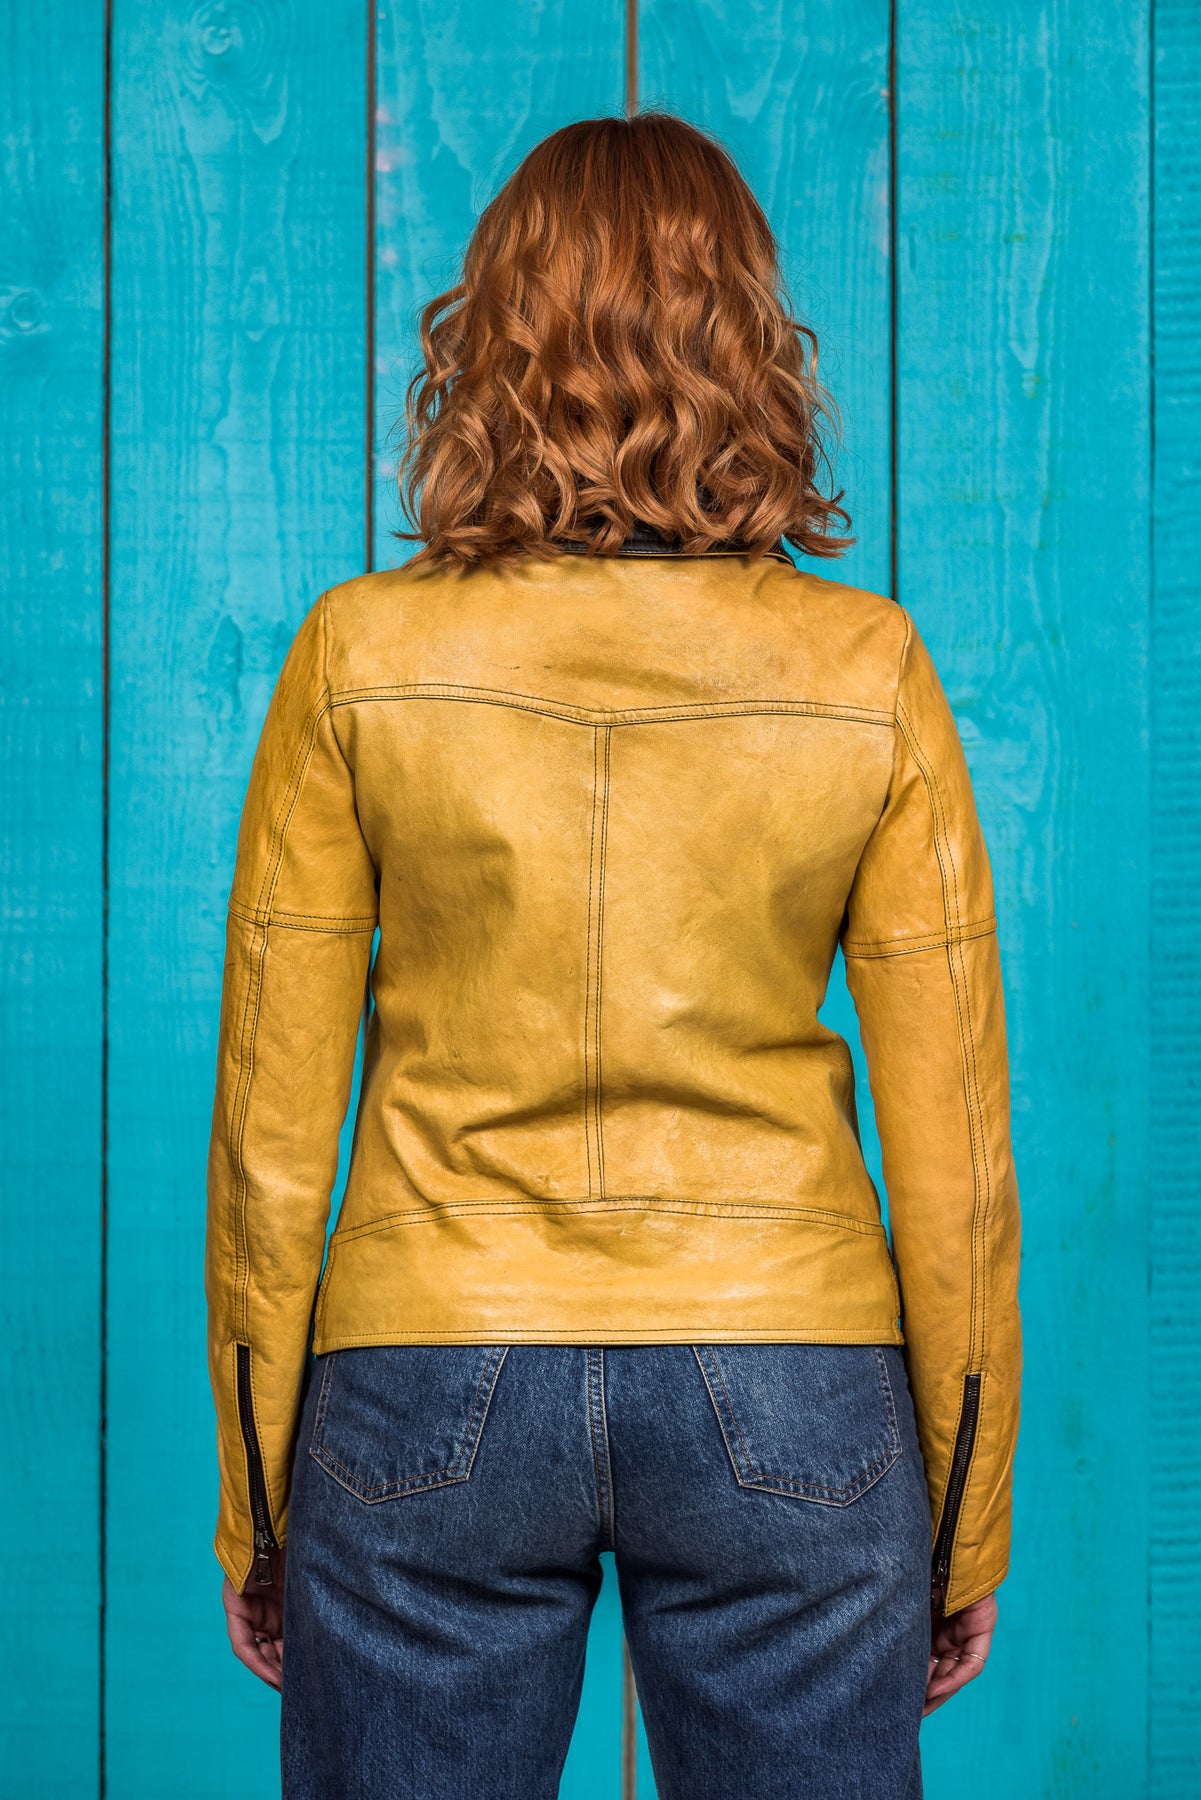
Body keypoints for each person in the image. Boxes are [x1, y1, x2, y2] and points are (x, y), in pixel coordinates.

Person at [205, 110, 1021, 1799]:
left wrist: (262, 1506)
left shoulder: (357, 657)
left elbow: (271, 1144)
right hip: (788, 1380)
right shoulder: (866, 671)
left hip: (425, 1369)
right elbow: (953, 1158)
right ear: (751, 344)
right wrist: (961, 1513)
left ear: (487, 344)